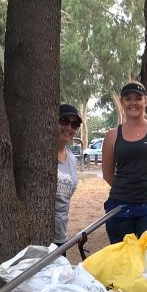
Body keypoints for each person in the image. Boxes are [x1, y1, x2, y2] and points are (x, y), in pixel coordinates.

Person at [101, 81, 147, 243]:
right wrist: (127, 191)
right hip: (119, 208)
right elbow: (107, 173)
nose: (133, 103)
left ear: (146, 101)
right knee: (123, 261)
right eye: (128, 99)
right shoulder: (112, 136)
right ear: (122, 102)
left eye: (138, 98)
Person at [55, 104, 81, 245]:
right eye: (64, 121)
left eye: (75, 124)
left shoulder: (72, 159)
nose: (69, 127)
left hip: (61, 236)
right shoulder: (40, 157)